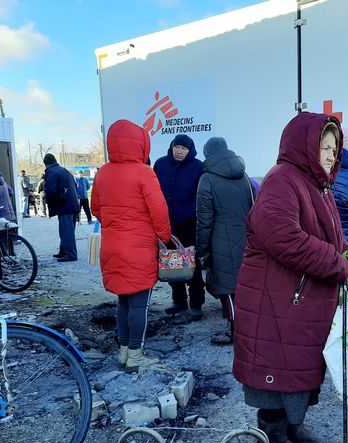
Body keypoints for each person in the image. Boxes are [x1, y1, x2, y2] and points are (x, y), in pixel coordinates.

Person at [233, 113, 348, 443]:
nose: (331, 156)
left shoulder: (316, 184)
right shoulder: (283, 180)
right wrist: (336, 263)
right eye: (324, 147)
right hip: (278, 299)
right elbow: (281, 237)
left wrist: (346, 253)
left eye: (334, 148)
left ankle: (291, 429)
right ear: (304, 146)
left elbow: (330, 232)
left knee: (295, 366)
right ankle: (272, 437)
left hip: (296, 299)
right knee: (276, 369)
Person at [91, 119, 172, 372]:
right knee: (139, 304)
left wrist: (115, 227)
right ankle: (136, 356)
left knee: (123, 302)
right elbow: (159, 211)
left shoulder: (103, 172)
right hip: (138, 248)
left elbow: (96, 209)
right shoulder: (144, 172)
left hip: (112, 246)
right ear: (140, 144)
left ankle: (124, 352)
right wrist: (164, 237)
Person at [196, 137, 254, 345]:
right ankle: (248, 330)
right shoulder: (244, 176)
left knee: (228, 290)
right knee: (246, 288)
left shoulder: (207, 179)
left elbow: (204, 220)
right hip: (248, 241)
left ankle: (235, 333)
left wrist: (201, 250)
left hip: (220, 242)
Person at [153, 134, 205, 320]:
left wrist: (189, 211)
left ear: (189, 150)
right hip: (167, 224)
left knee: (192, 264)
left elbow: (200, 194)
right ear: (171, 147)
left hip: (190, 225)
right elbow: (154, 191)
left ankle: (196, 304)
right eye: (176, 147)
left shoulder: (198, 167)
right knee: (171, 263)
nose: (179, 151)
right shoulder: (160, 164)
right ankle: (179, 301)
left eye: (183, 148)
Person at [43, 153, 80, 262]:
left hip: (64, 205)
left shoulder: (51, 172)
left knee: (66, 231)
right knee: (67, 230)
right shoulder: (65, 170)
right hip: (73, 204)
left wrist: (51, 203)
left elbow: (50, 190)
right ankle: (63, 251)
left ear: (46, 164)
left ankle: (71, 254)